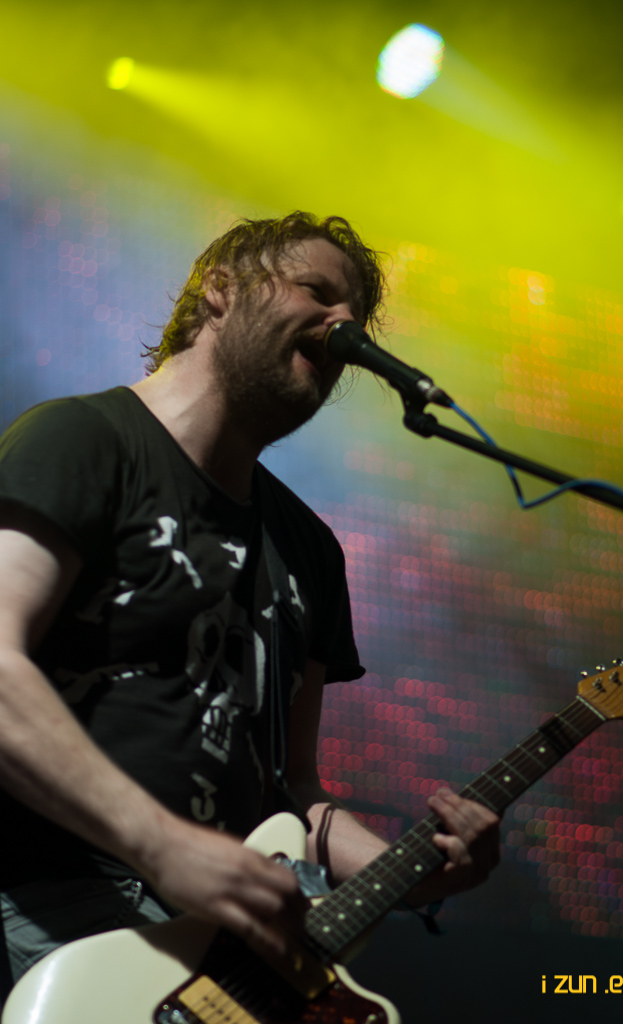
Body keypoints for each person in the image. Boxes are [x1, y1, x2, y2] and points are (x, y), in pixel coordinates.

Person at [0, 211, 499, 1002]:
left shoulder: (308, 547)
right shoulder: (84, 440)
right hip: (51, 912)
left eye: (356, 316)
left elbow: (293, 790)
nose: (343, 327)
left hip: (206, 955)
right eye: (316, 292)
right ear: (220, 288)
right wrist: (163, 846)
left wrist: (415, 874)